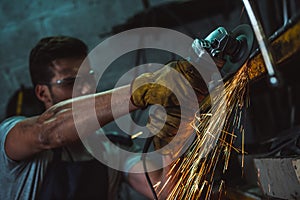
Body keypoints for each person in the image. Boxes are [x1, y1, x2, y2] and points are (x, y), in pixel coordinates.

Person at [0, 35, 212, 200]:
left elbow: (164, 192)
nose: (85, 88)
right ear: (42, 93)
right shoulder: (12, 135)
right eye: (70, 82)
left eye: (88, 78)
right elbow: (47, 132)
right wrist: (142, 90)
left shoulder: (108, 148)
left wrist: (173, 134)